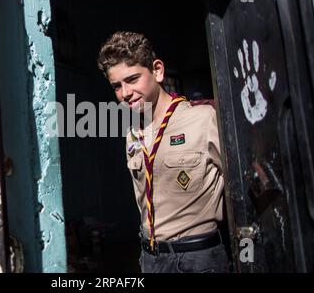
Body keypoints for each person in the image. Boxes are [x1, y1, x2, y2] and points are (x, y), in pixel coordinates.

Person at [97, 31, 229, 273]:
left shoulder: (203, 120)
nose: (125, 93)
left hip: (197, 259)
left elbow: (246, 186)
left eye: (133, 79)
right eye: (117, 86)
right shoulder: (133, 133)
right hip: (151, 259)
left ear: (157, 71)